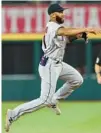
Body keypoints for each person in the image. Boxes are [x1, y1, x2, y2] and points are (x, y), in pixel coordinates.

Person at [5, 3, 101, 132]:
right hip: (50, 65)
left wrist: (77, 36)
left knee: (77, 79)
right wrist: (85, 29)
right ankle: (13, 114)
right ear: (53, 15)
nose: (63, 14)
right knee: (44, 99)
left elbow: (66, 38)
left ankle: (54, 99)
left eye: (63, 12)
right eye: (60, 12)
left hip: (57, 64)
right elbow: (65, 32)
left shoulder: (57, 27)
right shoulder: (52, 26)